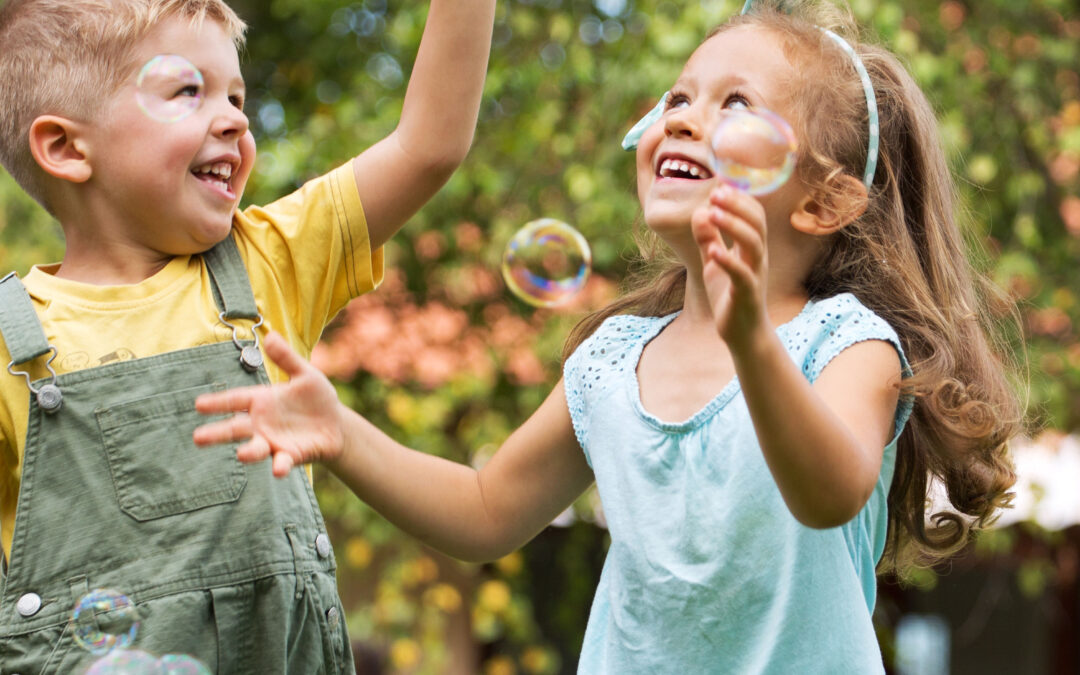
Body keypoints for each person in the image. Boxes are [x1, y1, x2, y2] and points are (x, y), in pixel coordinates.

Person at [194, 1, 1023, 671]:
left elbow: (829, 490)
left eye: (735, 103)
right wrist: (342, 434)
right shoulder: (611, 363)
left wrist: (750, 342)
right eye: (677, 98)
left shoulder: (845, 342)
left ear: (822, 202)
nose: (685, 117)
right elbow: (485, 512)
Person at [0, 0, 494, 671]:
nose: (234, 118)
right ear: (65, 147)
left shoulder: (268, 265)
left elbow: (429, 144)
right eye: (187, 92)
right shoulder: (10, 347)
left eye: (236, 94)